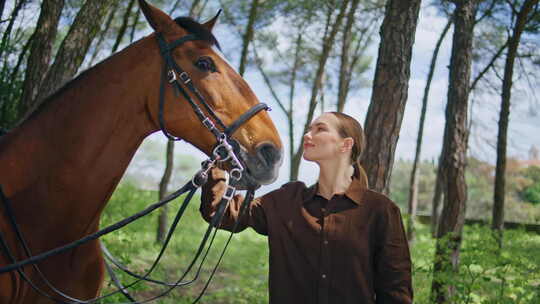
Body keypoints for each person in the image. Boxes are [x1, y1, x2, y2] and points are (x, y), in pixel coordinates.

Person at [200, 112, 413, 304]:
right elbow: (223, 213)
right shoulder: (286, 200)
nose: (307, 135)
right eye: (309, 129)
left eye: (320, 129)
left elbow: (395, 291)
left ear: (345, 145)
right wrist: (218, 161)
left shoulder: (380, 210)